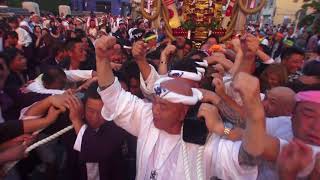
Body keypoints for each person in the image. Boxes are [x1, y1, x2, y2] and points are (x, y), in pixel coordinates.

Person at [94, 36, 266, 180]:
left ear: (183, 111)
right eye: (155, 102)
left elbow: (248, 160)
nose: (155, 109)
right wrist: (101, 59)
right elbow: (114, 97)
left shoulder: (205, 140)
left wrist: (256, 114)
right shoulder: (147, 118)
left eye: (163, 106)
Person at [70, 83, 130, 180]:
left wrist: (76, 120)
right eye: (90, 111)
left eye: (102, 112)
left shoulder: (118, 126)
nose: (95, 118)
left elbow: (94, 150)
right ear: (83, 107)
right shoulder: (73, 119)